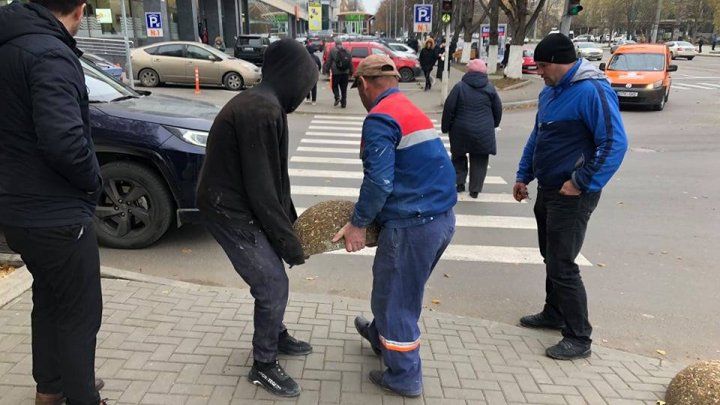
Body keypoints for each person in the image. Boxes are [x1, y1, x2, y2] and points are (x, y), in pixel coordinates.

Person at [196, 39, 317, 397]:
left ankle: (274, 334)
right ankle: (263, 365)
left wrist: (290, 230)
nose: (306, 93)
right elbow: (262, 189)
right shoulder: (258, 111)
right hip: (227, 209)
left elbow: (277, 181)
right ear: (290, 76)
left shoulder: (268, 106)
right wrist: (289, 244)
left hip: (238, 203)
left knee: (272, 275)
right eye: (305, 85)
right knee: (271, 282)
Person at [0, 0, 107, 404]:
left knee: (47, 300)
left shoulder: (8, 46)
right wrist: (93, 182)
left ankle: (50, 389)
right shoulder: (49, 53)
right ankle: (79, 396)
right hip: (57, 213)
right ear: (79, 11)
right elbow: (64, 141)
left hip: (16, 209)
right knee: (80, 314)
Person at [332, 54, 457, 397]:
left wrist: (358, 224)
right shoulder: (407, 107)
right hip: (440, 218)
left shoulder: (380, 118)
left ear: (362, 84)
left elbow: (379, 182)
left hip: (413, 224)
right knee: (399, 290)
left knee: (396, 299)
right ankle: (379, 336)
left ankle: (404, 377)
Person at [513, 33, 628, 361]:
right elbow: (538, 136)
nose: (540, 73)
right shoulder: (550, 93)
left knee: (563, 263)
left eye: (543, 66)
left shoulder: (592, 90)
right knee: (551, 256)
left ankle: (579, 337)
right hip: (548, 188)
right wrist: (523, 174)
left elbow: (614, 143)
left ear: (559, 62)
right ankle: (554, 312)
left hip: (572, 193)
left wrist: (581, 181)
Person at [441, 59, 502, 198]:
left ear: (469, 71)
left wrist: (445, 126)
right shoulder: (490, 88)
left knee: (458, 156)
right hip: (483, 130)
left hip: (460, 130)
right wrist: (494, 124)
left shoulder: (460, 87)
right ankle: (475, 189)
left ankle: (459, 183)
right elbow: (498, 109)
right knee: (480, 158)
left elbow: (449, 108)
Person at [328, 38, 352, 108]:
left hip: (336, 72)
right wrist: (351, 72)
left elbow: (329, 61)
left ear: (335, 43)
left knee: (334, 86)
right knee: (344, 88)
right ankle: (344, 103)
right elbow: (350, 62)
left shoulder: (332, 50)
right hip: (345, 72)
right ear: (341, 43)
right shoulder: (347, 51)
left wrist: (326, 69)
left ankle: (337, 96)